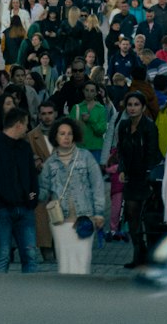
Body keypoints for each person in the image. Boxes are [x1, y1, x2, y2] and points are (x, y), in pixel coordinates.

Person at [38, 116, 106, 274]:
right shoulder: (50, 163)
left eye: (69, 133)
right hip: (60, 221)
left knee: (82, 264)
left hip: (84, 219)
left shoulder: (86, 157)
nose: (66, 137)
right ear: (55, 136)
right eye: (62, 134)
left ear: (74, 135)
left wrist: (99, 213)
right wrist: (29, 194)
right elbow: (42, 190)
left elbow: (97, 185)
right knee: (65, 264)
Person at [0, 108, 40, 272]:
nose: (27, 128)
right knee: (3, 256)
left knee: (30, 255)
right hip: (1, 211)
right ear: (18, 124)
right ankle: (0, 295)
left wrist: (32, 198)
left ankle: (30, 295)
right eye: (26, 124)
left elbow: (33, 178)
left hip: (24, 209)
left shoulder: (25, 148)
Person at [115, 91, 161, 268]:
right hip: (130, 177)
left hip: (146, 177)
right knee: (132, 217)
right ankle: (138, 254)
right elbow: (121, 150)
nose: (132, 108)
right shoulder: (124, 125)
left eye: (136, 104)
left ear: (142, 107)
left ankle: (151, 256)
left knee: (147, 218)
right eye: (129, 105)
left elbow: (152, 153)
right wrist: (122, 169)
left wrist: (149, 175)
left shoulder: (149, 126)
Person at [27, 100, 58, 259]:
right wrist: (35, 160)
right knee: (43, 226)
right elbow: (26, 156)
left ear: (56, 114)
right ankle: (47, 256)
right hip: (41, 186)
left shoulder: (65, 132)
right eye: (43, 114)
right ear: (39, 115)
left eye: (50, 113)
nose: (47, 117)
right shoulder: (32, 136)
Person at [70, 79, 109, 165]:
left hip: (96, 148)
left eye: (92, 91)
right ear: (83, 91)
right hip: (79, 147)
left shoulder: (101, 108)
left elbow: (101, 130)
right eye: (87, 90)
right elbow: (70, 129)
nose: (89, 93)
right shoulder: (76, 108)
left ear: (96, 93)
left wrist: (90, 120)